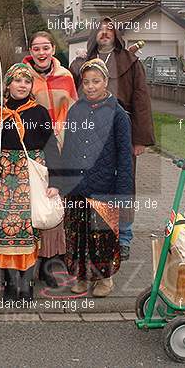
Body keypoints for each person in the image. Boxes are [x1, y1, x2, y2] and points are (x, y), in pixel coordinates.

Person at [68, 17, 155, 260]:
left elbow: (141, 99)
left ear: (116, 34)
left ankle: (124, 236)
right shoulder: (81, 63)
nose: (105, 33)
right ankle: (90, 235)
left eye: (110, 29)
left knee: (123, 183)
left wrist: (140, 139)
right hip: (90, 131)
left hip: (121, 129)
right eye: (101, 29)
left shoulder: (131, 61)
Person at [0, 63, 62, 302]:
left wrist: (56, 179)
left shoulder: (39, 112)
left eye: (27, 81)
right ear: (8, 84)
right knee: (4, 230)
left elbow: (50, 144)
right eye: (17, 81)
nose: (22, 85)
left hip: (30, 175)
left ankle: (26, 283)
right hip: (4, 176)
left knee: (27, 230)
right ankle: (9, 283)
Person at [61, 59, 133, 298]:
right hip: (78, 187)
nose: (91, 86)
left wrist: (123, 194)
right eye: (87, 82)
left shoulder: (118, 114)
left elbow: (125, 157)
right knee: (78, 235)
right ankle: (82, 275)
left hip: (104, 186)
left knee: (102, 237)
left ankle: (105, 278)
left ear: (105, 82)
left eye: (96, 81)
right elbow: (68, 149)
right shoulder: (76, 110)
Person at [21, 31, 78, 288]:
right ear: (30, 51)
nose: (41, 53)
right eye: (36, 48)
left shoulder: (66, 76)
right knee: (34, 205)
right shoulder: (22, 76)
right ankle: (27, 262)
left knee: (55, 205)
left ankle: (51, 264)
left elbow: (75, 108)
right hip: (34, 148)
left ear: (53, 49)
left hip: (61, 147)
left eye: (45, 48)